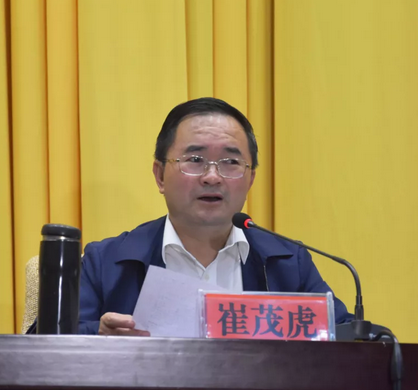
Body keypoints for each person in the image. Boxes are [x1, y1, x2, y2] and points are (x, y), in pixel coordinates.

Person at [79, 97, 352, 335]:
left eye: (231, 162)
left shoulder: (288, 263)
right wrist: (99, 337)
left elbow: (345, 337)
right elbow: (56, 340)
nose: (212, 177)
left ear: (250, 179)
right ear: (160, 175)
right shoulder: (105, 262)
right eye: (195, 160)